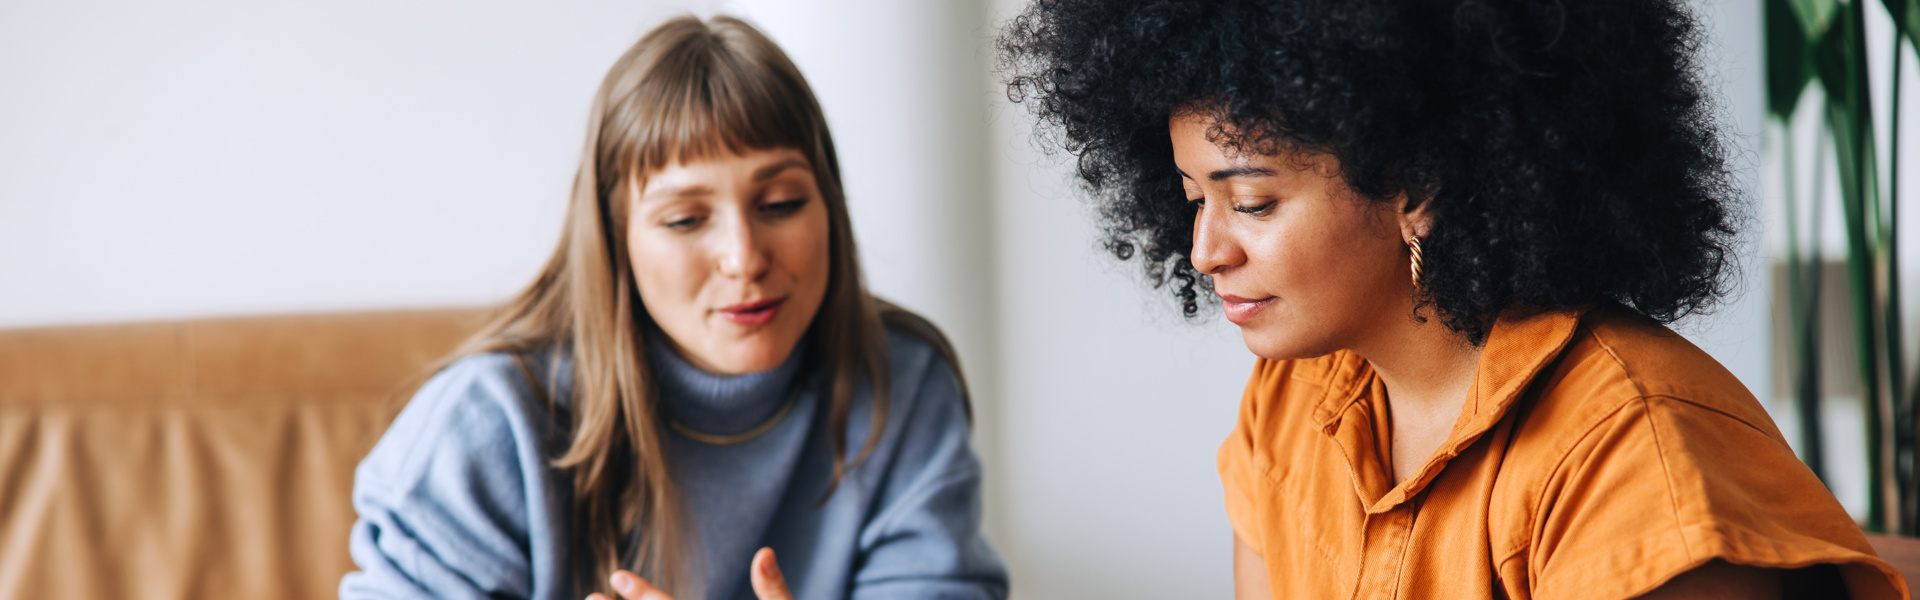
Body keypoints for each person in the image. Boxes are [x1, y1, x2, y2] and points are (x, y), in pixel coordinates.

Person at [999, 0, 1906, 598]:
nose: (1205, 250)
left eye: (1254, 202)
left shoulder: (1636, 460)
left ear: (1416, 184)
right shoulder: (1290, 403)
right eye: (1195, 200)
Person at [340, 15, 1007, 600]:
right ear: (614, 237)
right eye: (687, 219)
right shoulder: (487, 426)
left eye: (780, 204)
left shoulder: (902, 385)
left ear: (830, 205)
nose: (744, 257)